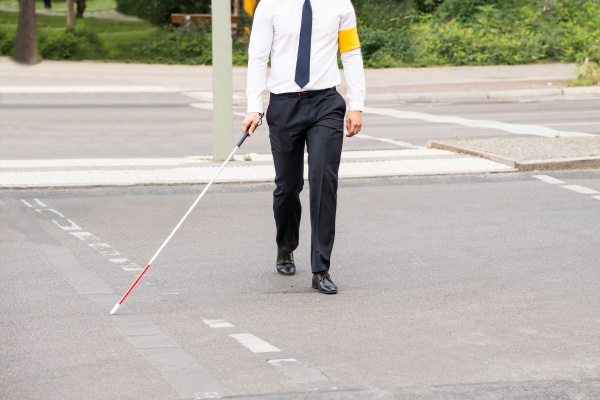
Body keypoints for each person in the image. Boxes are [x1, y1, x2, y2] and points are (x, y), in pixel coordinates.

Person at [242, 0, 365, 294]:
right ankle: (285, 246)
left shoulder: (340, 4)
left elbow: (351, 52)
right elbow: (257, 57)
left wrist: (357, 104)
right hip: (283, 104)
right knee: (288, 186)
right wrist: (253, 106)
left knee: (324, 182)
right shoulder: (269, 6)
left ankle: (320, 268)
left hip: (326, 104)